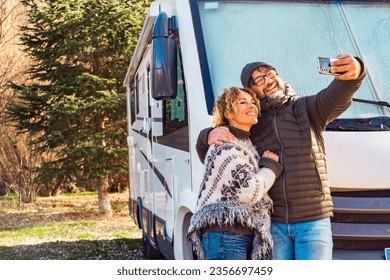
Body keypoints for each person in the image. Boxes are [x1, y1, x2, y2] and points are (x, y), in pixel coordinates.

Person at [195, 54, 366, 260]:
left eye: (270, 74)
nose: (267, 80)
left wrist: (356, 72)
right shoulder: (252, 122)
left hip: (312, 220)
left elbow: (337, 94)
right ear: (253, 92)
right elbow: (219, 160)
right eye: (259, 80)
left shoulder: (307, 108)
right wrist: (206, 136)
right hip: (273, 223)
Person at [187, 87, 283, 260]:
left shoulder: (244, 144)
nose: (251, 106)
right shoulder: (227, 146)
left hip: (236, 233)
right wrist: (270, 168)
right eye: (242, 102)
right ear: (228, 113)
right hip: (225, 235)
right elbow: (249, 191)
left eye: (253, 102)